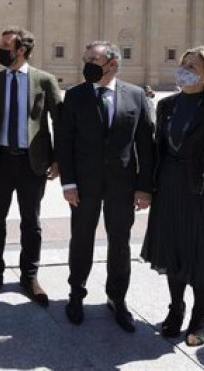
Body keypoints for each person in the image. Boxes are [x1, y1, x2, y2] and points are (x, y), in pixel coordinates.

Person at [141, 46, 204, 348]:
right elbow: (157, 150)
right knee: (172, 254)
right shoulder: (167, 105)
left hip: (202, 193)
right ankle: (175, 309)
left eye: (192, 67)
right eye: (184, 64)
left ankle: (200, 317)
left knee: (202, 260)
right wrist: (148, 187)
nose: (184, 69)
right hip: (169, 188)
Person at [56, 42, 155, 333]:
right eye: (85, 58)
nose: (86, 63)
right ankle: (76, 293)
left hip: (122, 186)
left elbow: (146, 145)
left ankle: (117, 298)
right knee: (81, 239)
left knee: (120, 244)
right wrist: (69, 183)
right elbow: (64, 142)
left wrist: (144, 187)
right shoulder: (75, 96)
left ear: (111, 63)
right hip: (84, 185)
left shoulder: (136, 96)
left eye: (92, 59)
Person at [0, 27, 62, 305]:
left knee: (31, 223)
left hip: (32, 163)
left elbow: (60, 122)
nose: (0, 50)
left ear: (21, 49)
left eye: (5, 46)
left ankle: (30, 276)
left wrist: (58, 158)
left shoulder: (44, 81)